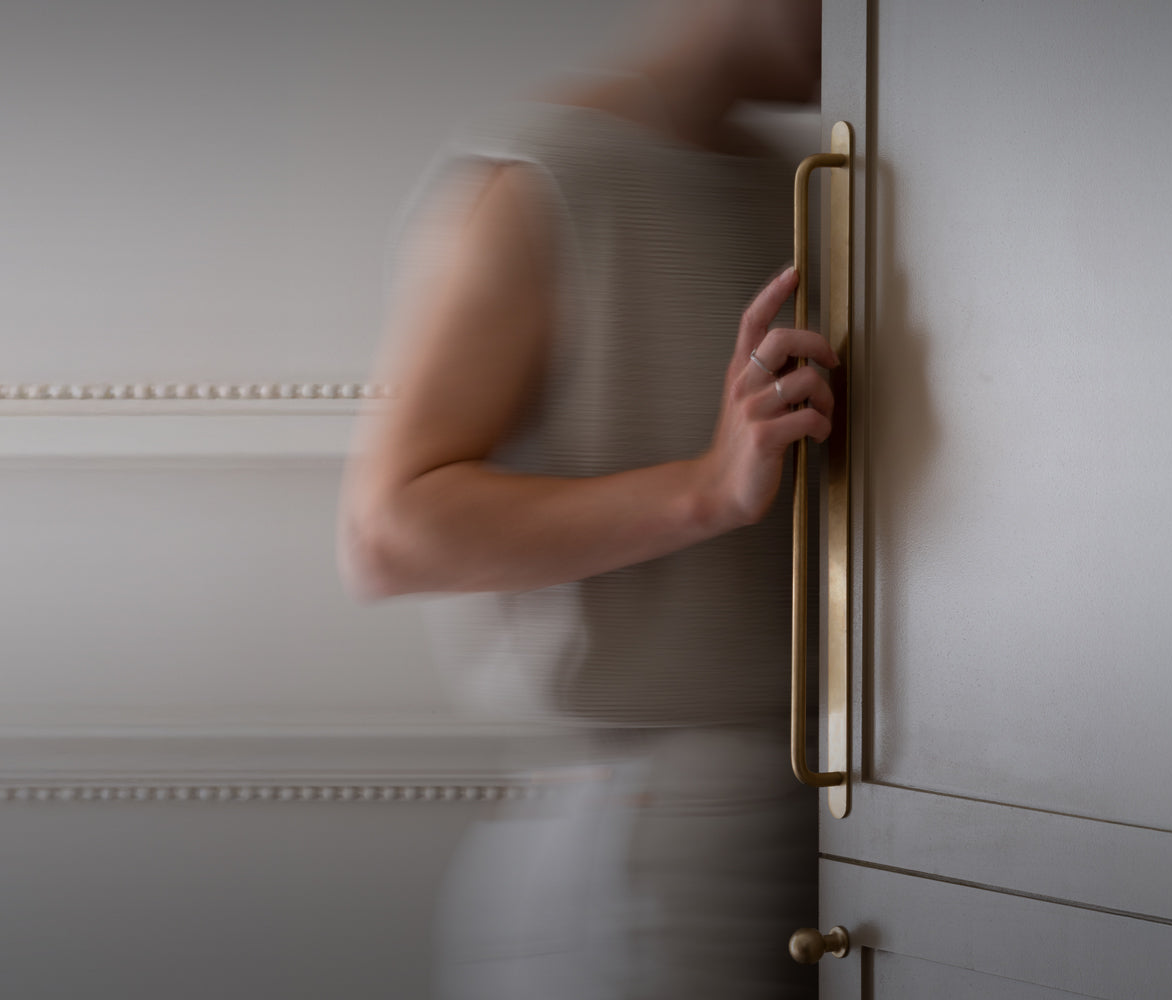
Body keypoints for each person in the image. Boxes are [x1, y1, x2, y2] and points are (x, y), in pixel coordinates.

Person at [339, 2, 828, 996]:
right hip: (647, 849)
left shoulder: (805, 178)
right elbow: (388, 533)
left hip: (800, 825)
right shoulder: (538, 175)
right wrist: (703, 489)